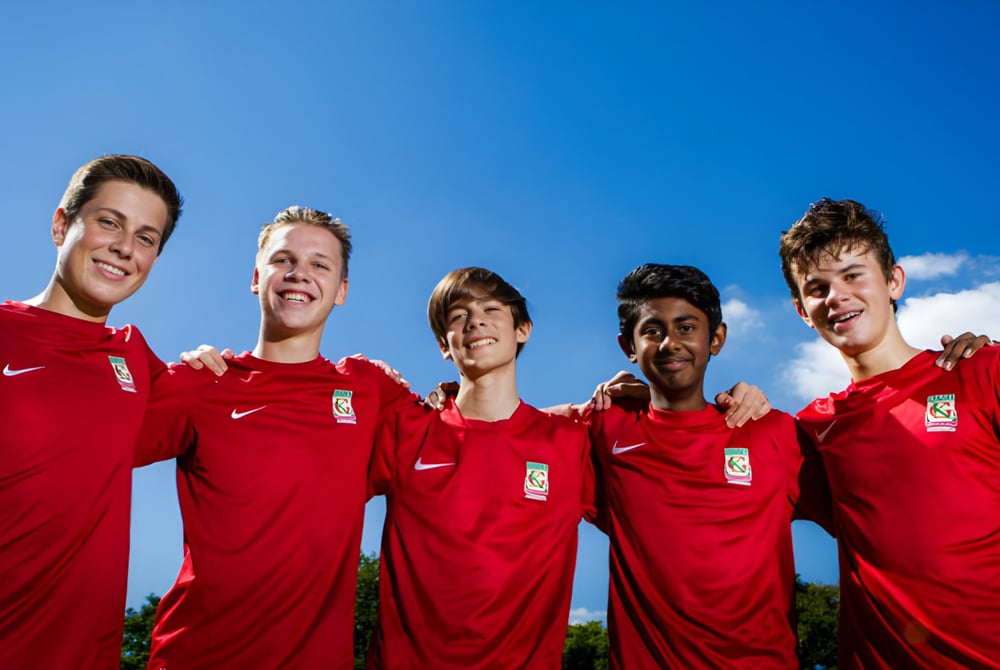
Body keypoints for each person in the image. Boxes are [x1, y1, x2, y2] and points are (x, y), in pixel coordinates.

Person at [138, 206, 414, 668]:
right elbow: (83, 442)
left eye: (319, 264)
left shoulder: (370, 390)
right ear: (255, 277)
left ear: (341, 290)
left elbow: (474, 432)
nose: (298, 274)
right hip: (195, 657)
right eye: (283, 259)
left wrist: (563, 418)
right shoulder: (201, 381)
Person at [779, 198, 1000, 668]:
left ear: (894, 280)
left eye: (853, 275)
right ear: (802, 310)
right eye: (817, 288)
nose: (836, 296)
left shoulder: (983, 371)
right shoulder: (809, 431)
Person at [582, 263, 828, 668]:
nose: (669, 344)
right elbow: (511, 429)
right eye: (652, 330)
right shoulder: (604, 431)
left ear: (716, 338)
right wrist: (447, 399)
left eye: (685, 328)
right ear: (629, 345)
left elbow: (868, 522)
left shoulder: (774, 431)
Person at [0, 155, 182, 668]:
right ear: (62, 224)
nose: (125, 247)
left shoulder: (137, 362)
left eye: (147, 238)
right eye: (109, 222)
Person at [366, 267, 595, 668]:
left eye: (491, 308)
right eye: (458, 315)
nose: (475, 321)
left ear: (523, 329)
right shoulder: (405, 428)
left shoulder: (573, 442)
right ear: (444, 344)